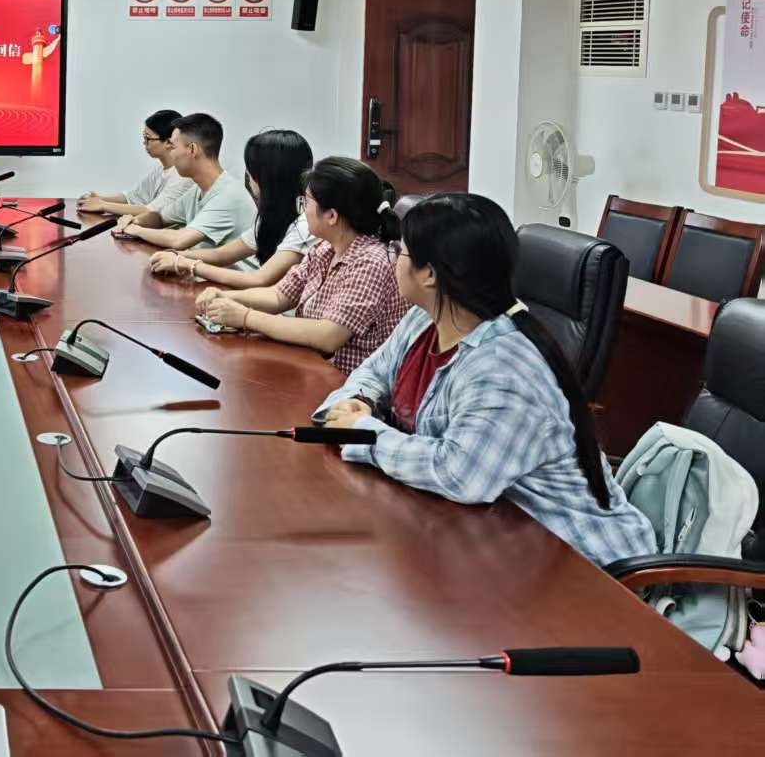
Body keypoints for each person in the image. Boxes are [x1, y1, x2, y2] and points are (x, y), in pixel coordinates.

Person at [318, 193, 656, 567]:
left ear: (429, 274)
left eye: (401, 252)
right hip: (495, 541)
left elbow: (460, 475)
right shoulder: (425, 318)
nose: (394, 259)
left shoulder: (502, 369)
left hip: (584, 564)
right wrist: (359, 400)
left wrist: (363, 434)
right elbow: (373, 370)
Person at [194, 156, 405, 376]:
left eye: (306, 202)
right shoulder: (326, 248)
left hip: (347, 384)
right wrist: (226, 297)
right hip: (313, 369)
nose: (303, 210)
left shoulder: (371, 261)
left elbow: (328, 336)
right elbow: (279, 295)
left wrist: (246, 317)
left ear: (331, 215)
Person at [149, 129, 313, 286]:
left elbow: (258, 279)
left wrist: (185, 264)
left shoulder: (304, 225)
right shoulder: (274, 216)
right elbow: (221, 255)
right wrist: (177, 256)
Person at [114, 113, 254, 252]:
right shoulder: (198, 190)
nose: (171, 154)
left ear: (192, 149)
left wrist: (135, 230)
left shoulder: (227, 195)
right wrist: (135, 221)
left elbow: (179, 240)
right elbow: (160, 217)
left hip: (224, 267)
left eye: (173, 147)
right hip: (200, 264)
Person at [76, 109, 182, 219]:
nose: (144, 143)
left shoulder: (182, 176)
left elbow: (151, 210)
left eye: (148, 138)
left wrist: (103, 205)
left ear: (169, 142)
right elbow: (133, 197)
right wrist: (99, 197)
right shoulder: (160, 170)